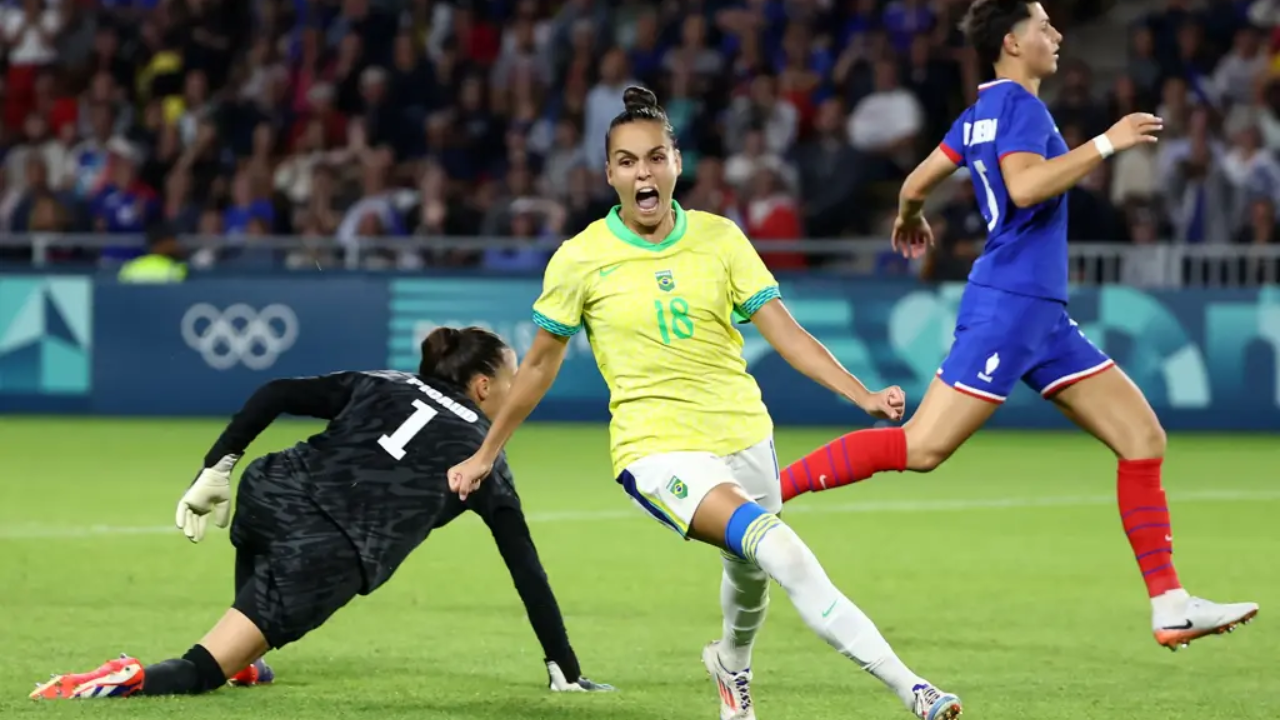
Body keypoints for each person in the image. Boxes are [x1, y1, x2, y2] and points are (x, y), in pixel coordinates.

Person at [447, 86, 963, 720]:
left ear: (676, 163)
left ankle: (730, 666)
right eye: (629, 161)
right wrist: (484, 453)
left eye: (655, 158)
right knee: (782, 551)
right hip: (657, 451)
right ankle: (914, 689)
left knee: (750, 581)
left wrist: (858, 393)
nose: (644, 172)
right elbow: (535, 370)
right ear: (610, 172)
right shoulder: (580, 259)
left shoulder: (720, 240)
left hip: (744, 434)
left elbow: (785, 332)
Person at [776, 0, 1258, 652]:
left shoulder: (980, 114)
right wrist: (1106, 143)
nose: (1056, 32)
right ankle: (765, 493)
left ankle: (1170, 603)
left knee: (1143, 438)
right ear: (1011, 40)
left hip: (1041, 317)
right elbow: (1026, 188)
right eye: (1042, 24)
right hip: (1010, 305)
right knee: (921, 448)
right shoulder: (1022, 110)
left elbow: (920, 178)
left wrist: (910, 211)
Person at [30, 326, 613, 700]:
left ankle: (245, 660)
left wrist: (217, 466)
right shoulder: (484, 455)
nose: (518, 389)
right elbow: (526, 569)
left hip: (268, 488)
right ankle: (123, 679)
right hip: (325, 552)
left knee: (257, 577)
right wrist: (563, 665)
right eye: (513, 377)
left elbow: (277, 392)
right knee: (198, 671)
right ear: (484, 387)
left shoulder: (384, 382)